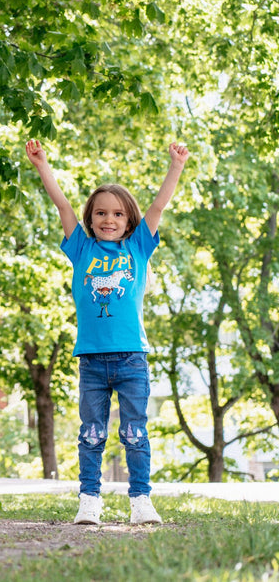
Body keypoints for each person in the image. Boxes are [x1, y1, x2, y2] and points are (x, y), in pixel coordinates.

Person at [25, 139, 189, 526]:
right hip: (93, 361)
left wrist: (176, 166)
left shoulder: (137, 249)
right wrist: (42, 165)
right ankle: (89, 499)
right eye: (101, 213)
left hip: (132, 357)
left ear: (128, 221)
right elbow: (62, 205)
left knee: (135, 432)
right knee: (92, 434)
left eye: (117, 214)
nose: (108, 219)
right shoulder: (81, 249)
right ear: (91, 218)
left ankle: (141, 499)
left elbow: (158, 206)